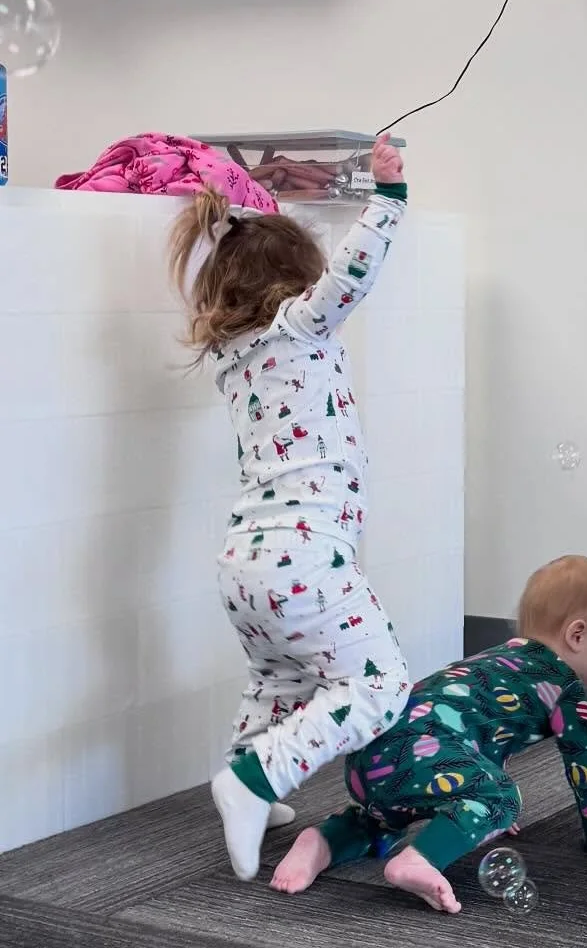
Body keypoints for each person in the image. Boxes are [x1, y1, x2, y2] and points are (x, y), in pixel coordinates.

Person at [167, 134, 412, 882]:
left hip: (247, 562)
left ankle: (252, 774)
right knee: (381, 686)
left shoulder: (230, 358)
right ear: (293, 287)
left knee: (279, 680)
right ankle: (250, 781)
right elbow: (352, 278)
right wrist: (388, 200)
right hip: (303, 555)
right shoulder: (299, 328)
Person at [270, 555, 587, 912]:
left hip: (368, 760)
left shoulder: (499, 658)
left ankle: (323, 841)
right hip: (421, 757)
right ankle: (419, 860)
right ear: (577, 634)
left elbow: (481, 734)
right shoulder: (562, 686)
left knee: (385, 817)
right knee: (502, 799)